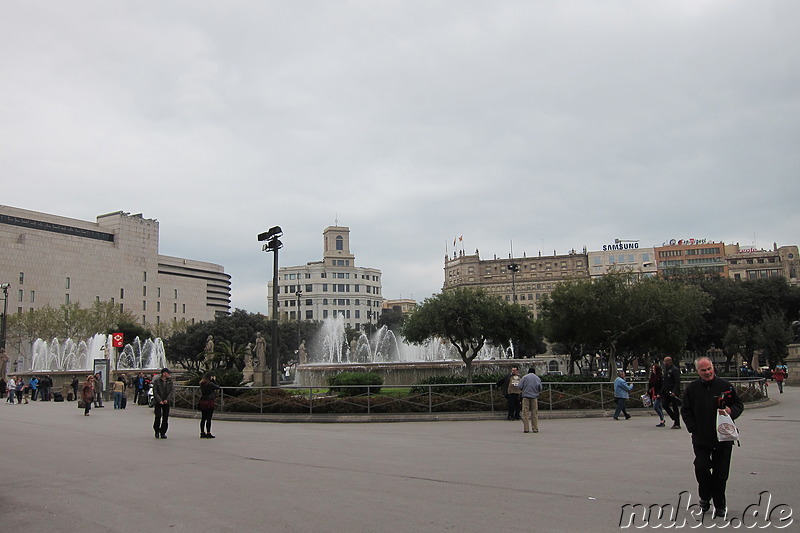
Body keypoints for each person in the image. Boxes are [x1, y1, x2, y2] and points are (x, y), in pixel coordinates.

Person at [681, 356, 744, 519]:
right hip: (701, 438)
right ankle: (704, 496)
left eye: (709, 368)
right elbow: (686, 411)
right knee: (701, 467)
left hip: (723, 437)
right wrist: (694, 429)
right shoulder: (692, 389)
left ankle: (720, 504)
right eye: (703, 370)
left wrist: (731, 411)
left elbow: (738, 405)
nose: (707, 372)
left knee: (721, 473)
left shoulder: (725, 386)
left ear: (713, 367)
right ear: (698, 372)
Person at [152, 368, 175, 439]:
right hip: (158, 402)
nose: (168, 374)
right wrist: (159, 400)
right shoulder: (157, 381)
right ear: (164, 373)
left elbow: (172, 391)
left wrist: (167, 400)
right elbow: (155, 391)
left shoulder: (170, 382)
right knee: (158, 416)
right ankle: (156, 430)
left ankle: (163, 432)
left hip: (166, 402)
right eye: (167, 373)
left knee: (165, 418)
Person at [518, 367, 542, 433]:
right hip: (534, 397)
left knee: (525, 413)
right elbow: (540, 388)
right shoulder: (537, 378)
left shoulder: (524, 377)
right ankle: (535, 428)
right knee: (534, 413)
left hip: (526, 396)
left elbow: (519, 386)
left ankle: (526, 428)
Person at [661, 356, 682, 429]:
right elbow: (665, 382)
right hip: (667, 391)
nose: (664, 363)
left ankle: (677, 423)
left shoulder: (674, 369)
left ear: (669, 362)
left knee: (675, 407)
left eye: (665, 361)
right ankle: (674, 417)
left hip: (673, 391)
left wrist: (674, 391)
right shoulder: (667, 370)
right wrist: (661, 392)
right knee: (664, 405)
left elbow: (677, 381)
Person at [198, 372, 221, 438]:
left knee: (203, 418)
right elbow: (218, 387)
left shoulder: (202, 383)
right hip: (209, 401)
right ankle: (208, 432)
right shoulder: (210, 384)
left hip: (202, 401)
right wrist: (214, 380)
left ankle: (202, 433)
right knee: (208, 418)